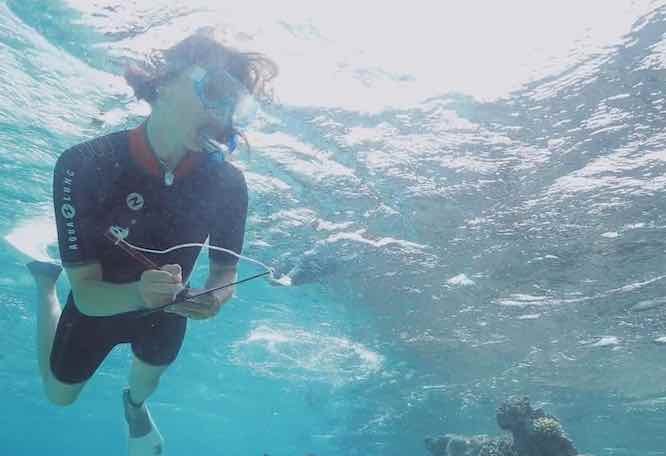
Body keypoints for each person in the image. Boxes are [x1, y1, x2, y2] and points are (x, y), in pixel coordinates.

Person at [26, 30, 278, 455]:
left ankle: (134, 406)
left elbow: (225, 270)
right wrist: (138, 294)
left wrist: (214, 298)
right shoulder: (83, 165)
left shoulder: (228, 184)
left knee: (147, 382)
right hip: (102, 300)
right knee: (59, 397)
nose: (222, 114)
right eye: (215, 91)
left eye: (234, 106)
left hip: (169, 306)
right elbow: (87, 296)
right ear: (164, 81)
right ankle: (45, 285)